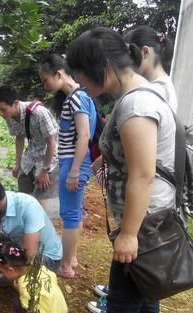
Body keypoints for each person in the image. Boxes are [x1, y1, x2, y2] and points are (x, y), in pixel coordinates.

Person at [67, 27, 175, 313]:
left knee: (123, 304)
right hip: (150, 221)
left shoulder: (136, 104)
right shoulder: (135, 95)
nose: (78, 81)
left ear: (103, 66)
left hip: (143, 226)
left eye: (80, 72)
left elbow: (142, 174)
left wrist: (128, 235)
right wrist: (106, 160)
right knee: (146, 296)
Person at [39, 54, 97, 279]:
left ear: (59, 74)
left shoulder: (76, 97)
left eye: (45, 80)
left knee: (70, 215)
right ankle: (71, 258)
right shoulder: (80, 96)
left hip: (74, 163)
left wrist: (73, 171)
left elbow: (84, 135)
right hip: (75, 162)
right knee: (74, 214)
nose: (45, 86)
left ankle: (65, 265)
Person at [0, 85, 60, 217]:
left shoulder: (39, 113)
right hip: (30, 156)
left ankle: (40, 229)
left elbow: (52, 142)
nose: (1, 113)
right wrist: (18, 164)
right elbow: (19, 137)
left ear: (15, 103)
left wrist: (45, 170)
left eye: (3, 109)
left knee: (41, 197)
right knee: (23, 195)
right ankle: (26, 226)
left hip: (48, 157)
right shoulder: (10, 116)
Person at [0, 241, 68, 313]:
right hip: (61, 308)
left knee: (17, 302)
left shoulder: (25, 287)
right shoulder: (40, 268)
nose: (3, 274)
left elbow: (30, 309)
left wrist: (20, 291)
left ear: (11, 270)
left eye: (3, 271)